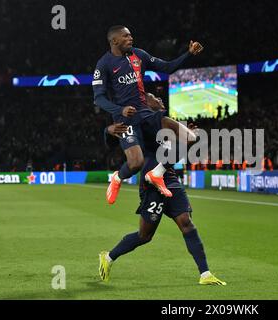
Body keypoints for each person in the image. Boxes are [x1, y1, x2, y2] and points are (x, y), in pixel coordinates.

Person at [99, 94, 226, 286]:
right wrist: (108, 130)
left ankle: (205, 274)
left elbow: (179, 147)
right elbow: (114, 140)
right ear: (144, 103)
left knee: (187, 223)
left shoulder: (166, 124)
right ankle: (108, 257)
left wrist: (186, 136)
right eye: (153, 97)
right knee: (144, 236)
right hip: (151, 184)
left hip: (170, 179)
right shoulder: (141, 123)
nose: (158, 98)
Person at [93, 25, 203, 204]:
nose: (131, 38)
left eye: (131, 35)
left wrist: (189, 54)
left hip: (146, 114)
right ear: (114, 41)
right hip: (125, 120)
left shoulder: (139, 55)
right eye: (126, 36)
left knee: (190, 137)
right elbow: (99, 98)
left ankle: (157, 173)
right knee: (136, 163)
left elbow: (167, 67)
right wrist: (119, 110)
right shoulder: (104, 64)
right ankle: (117, 178)